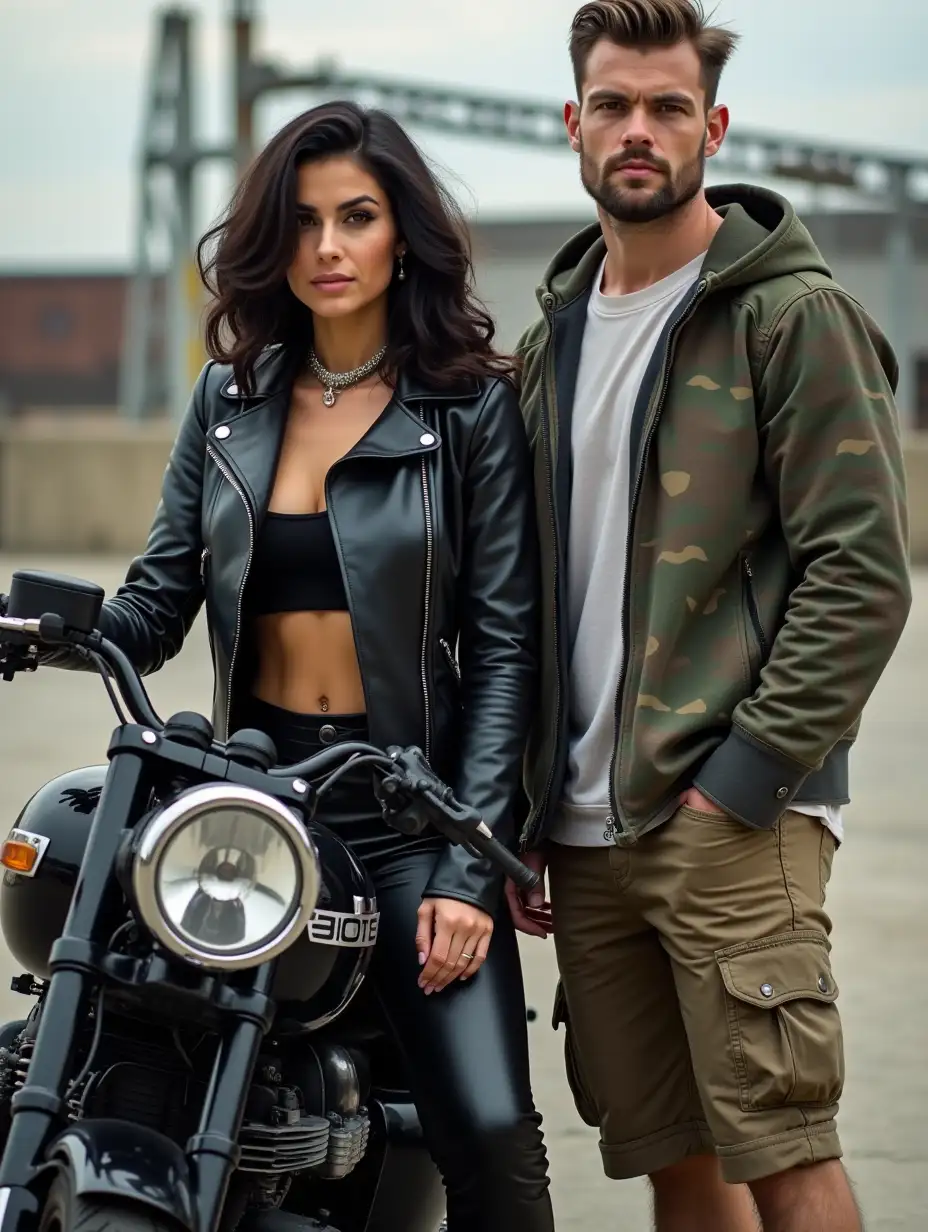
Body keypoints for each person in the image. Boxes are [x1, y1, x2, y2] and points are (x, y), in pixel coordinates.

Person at [27, 101, 554, 1231]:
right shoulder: (231, 400)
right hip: (253, 796)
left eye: (355, 217)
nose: (327, 246)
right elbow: (160, 596)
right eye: (304, 220)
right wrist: (56, 623)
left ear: (400, 234)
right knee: (109, 1032)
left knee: (495, 1135)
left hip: (408, 812)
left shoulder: (467, 409)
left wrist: (468, 874)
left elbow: (506, 648)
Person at [505, 3, 911, 1231]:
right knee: (676, 1166)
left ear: (712, 127)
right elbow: (530, 596)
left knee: (785, 1154)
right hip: (582, 829)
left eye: (667, 107)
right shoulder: (548, 346)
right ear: (572, 124)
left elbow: (863, 572)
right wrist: (527, 805)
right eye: (615, 106)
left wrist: (744, 776)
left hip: (731, 817)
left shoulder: (790, 319)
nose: (640, 130)